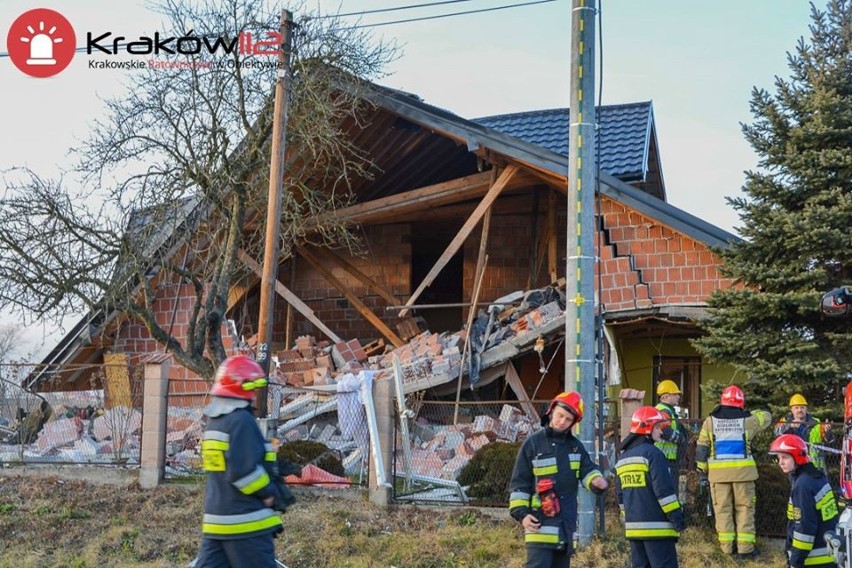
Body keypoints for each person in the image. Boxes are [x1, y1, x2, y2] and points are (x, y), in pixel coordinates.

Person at [195, 355, 286, 568]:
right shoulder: (241, 420)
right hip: (246, 524)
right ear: (240, 386)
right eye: (252, 387)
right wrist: (269, 493)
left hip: (217, 522)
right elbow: (243, 473)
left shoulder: (214, 422)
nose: (254, 394)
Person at [509, 391, 609, 568]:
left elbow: (588, 469)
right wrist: (522, 515)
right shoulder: (533, 444)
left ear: (573, 423)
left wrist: (597, 481)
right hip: (539, 526)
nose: (562, 422)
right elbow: (519, 484)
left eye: (568, 419)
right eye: (560, 415)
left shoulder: (575, 447)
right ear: (551, 411)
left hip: (565, 528)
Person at [695, 385, 771, 559]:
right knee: (745, 509)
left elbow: (701, 449)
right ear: (741, 403)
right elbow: (766, 417)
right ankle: (745, 549)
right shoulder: (748, 421)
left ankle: (727, 549)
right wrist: (752, 412)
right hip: (744, 475)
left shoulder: (710, 421)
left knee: (722, 511)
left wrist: (703, 470)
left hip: (718, 476)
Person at [616, 406, 685, 568]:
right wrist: (677, 519)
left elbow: (621, 498)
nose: (661, 432)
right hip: (659, 530)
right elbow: (664, 493)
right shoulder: (653, 454)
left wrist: (631, 519)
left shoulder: (622, 458)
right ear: (648, 428)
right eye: (659, 427)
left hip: (634, 531)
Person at [769, 434, 838, 568]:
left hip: (813, 559)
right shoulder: (815, 476)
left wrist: (796, 561)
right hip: (828, 552)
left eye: (785, 457)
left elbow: (804, 529)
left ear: (797, 457)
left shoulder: (803, 485)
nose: (780, 462)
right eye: (778, 458)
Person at [774, 393, 833, 472]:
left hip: (814, 466)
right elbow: (776, 433)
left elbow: (829, 441)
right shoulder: (784, 421)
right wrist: (789, 426)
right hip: (793, 465)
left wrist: (827, 432)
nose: (799, 410)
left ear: (806, 409)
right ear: (792, 409)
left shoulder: (816, 422)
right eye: (796, 408)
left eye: (802, 407)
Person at [654, 379, 687, 482]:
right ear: (666, 396)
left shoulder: (667, 410)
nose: (678, 396)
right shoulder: (664, 410)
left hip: (668, 458)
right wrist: (681, 439)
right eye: (675, 394)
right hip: (665, 459)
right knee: (669, 491)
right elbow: (665, 430)